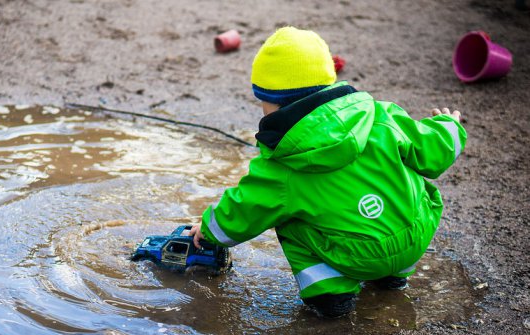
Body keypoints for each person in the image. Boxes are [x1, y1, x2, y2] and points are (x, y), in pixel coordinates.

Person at [188, 26, 467, 318]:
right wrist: (449, 126)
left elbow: (244, 209)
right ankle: (393, 277)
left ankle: (330, 295)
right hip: (414, 236)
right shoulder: (381, 115)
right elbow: (433, 149)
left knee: (285, 216)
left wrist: (207, 231)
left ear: (269, 101)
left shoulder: (281, 163)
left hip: (355, 256)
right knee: (404, 183)